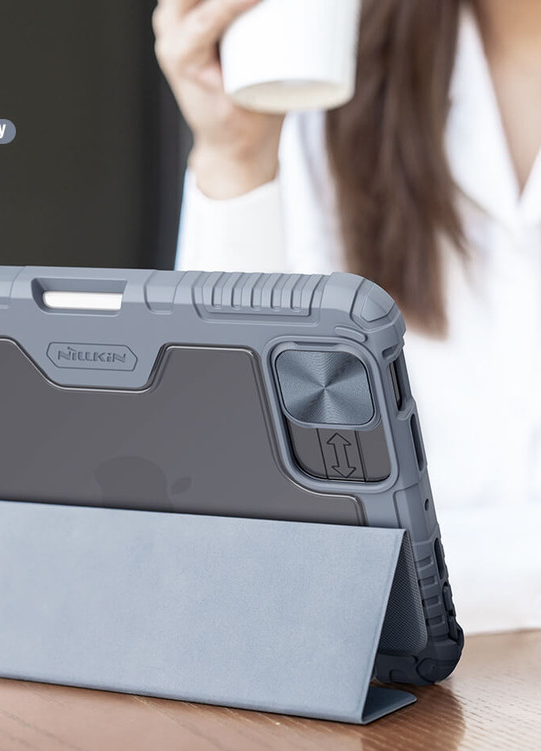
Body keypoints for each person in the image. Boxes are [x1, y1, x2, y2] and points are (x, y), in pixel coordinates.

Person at [154, 0, 541, 634]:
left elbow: (309, 581)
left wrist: (365, 580)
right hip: (405, 678)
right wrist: (236, 156)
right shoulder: (322, 69)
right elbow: (224, 523)